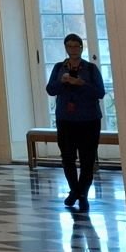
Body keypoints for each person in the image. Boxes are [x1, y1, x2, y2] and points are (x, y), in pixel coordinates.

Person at [45, 32, 106, 211]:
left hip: (89, 119)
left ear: (81, 48)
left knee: (87, 159)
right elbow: (50, 90)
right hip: (66, 119)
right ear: (65, 48)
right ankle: (75, 190)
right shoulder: (59, 68)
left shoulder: (90, 69)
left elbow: (100, 93)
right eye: (69, 46)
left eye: (76, 46)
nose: (73, 49)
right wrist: (63, 82)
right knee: (67, 157)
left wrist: (82, 84)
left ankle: (83, 194)